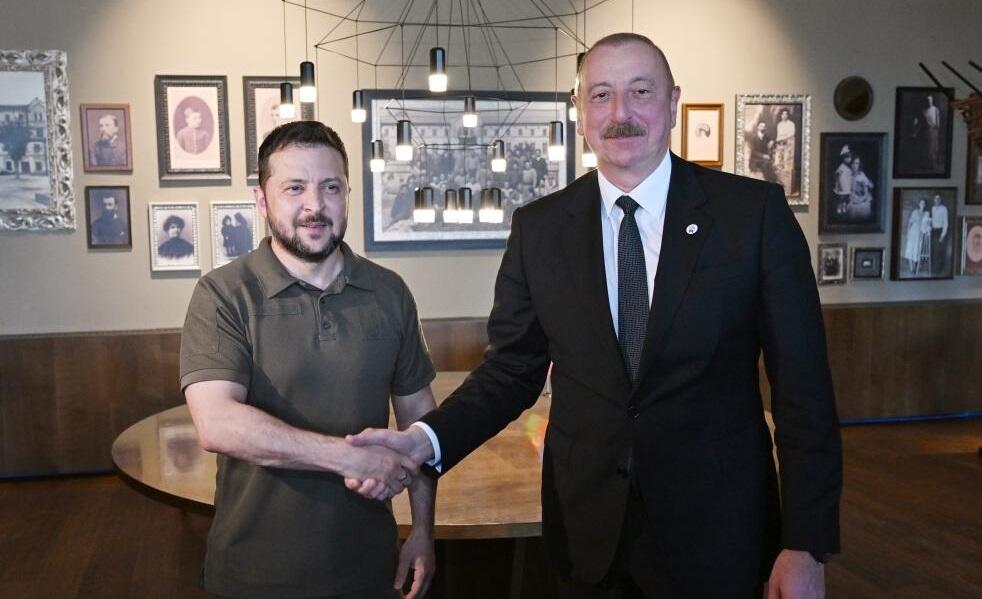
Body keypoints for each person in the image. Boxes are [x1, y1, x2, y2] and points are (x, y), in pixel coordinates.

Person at [347, 32, 841, 599]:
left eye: (640, 91)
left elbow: (804, 392)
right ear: (580, 112)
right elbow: (510, 373)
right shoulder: (539, 229)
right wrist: (423, 441)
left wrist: (806, 544)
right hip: (587, 538)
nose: (620, 113)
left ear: (673, 102)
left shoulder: (752, 216)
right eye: (601, 95)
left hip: (718, 536)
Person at [179, 121, 437, 598]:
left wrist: (423, 530)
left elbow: (421, 422)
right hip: (253, 575)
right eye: (294, 187)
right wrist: (348, 459)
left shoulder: (390, 292)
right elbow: (217, 423)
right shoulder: (223, 294)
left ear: (347, 195)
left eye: (331, 187)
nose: (315, 206)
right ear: (262, 200)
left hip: (370, 570)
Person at [773, 108, 796, 195]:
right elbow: (779, 135)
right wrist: (780, 140)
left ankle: (788, 189)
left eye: (786, 114)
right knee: (778, 164)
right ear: (781, 115)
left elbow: (791, 134)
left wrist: (783, 138)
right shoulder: (779, 124)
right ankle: (779, 186)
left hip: (789, 146)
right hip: (780, 144)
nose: (784, 116)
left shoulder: (791, 124)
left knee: (787, 165)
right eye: (783, 114)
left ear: (788, 115)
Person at [903, 197, 929, 274]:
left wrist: (926, 230)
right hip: (913, 232)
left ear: (925, 205)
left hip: (920, 234)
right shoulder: (915, 212)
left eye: (923, 203)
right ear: (919, 204)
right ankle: (911, 268)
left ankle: (915, 268)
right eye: (921, 203)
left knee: (917, 250)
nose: (922, 205)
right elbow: (910, 222)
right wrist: (908, 232)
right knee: (910, 249)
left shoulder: (926, 214)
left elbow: (926, 225)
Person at [845, 155, 873, 221]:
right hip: (852, 200)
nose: (854, 165)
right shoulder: (848, 175)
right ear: (850, 164)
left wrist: (859, 200)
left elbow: (866, 193)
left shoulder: (861, 176)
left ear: (859, 165)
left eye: (857, 163)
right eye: (853, 163)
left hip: (862, 201)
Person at [930, 192, 949, 275]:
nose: (937, 200)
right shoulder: (933, 208)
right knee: (933, 250)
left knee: (939, 251)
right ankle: (933, 269)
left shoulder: (944, 209)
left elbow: (946, 223)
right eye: (935, 198)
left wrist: (942, 235)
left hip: (940, 231)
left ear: (940, 200)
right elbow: (931, 220)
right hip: (933, 231)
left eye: (938, 198)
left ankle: (937, 271)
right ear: (934, 200)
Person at [832, 146, 853, 218]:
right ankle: (839, 208)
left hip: (847, 185)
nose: (849, 159)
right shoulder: (841, 167)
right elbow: (837, 175)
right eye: (847, 157)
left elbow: (850, 176)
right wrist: (838, 185)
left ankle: (844, 208)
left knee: (846, 198)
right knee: (841, 198)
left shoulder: (849, 168)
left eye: (850, 157)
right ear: (843, 158)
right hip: (841, 185)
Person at [924, 95, 941, 170]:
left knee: (935, 145)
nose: (929, 102)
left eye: (930, 100)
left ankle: (935, 163)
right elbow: (927, 120)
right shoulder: (927, 110)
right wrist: (931, 124)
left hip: (936, 129)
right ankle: (931, 163)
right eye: (928, 100)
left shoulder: (936, 109)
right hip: (930, 128)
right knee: (930, 145)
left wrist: (937, 126)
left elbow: (938, 119)